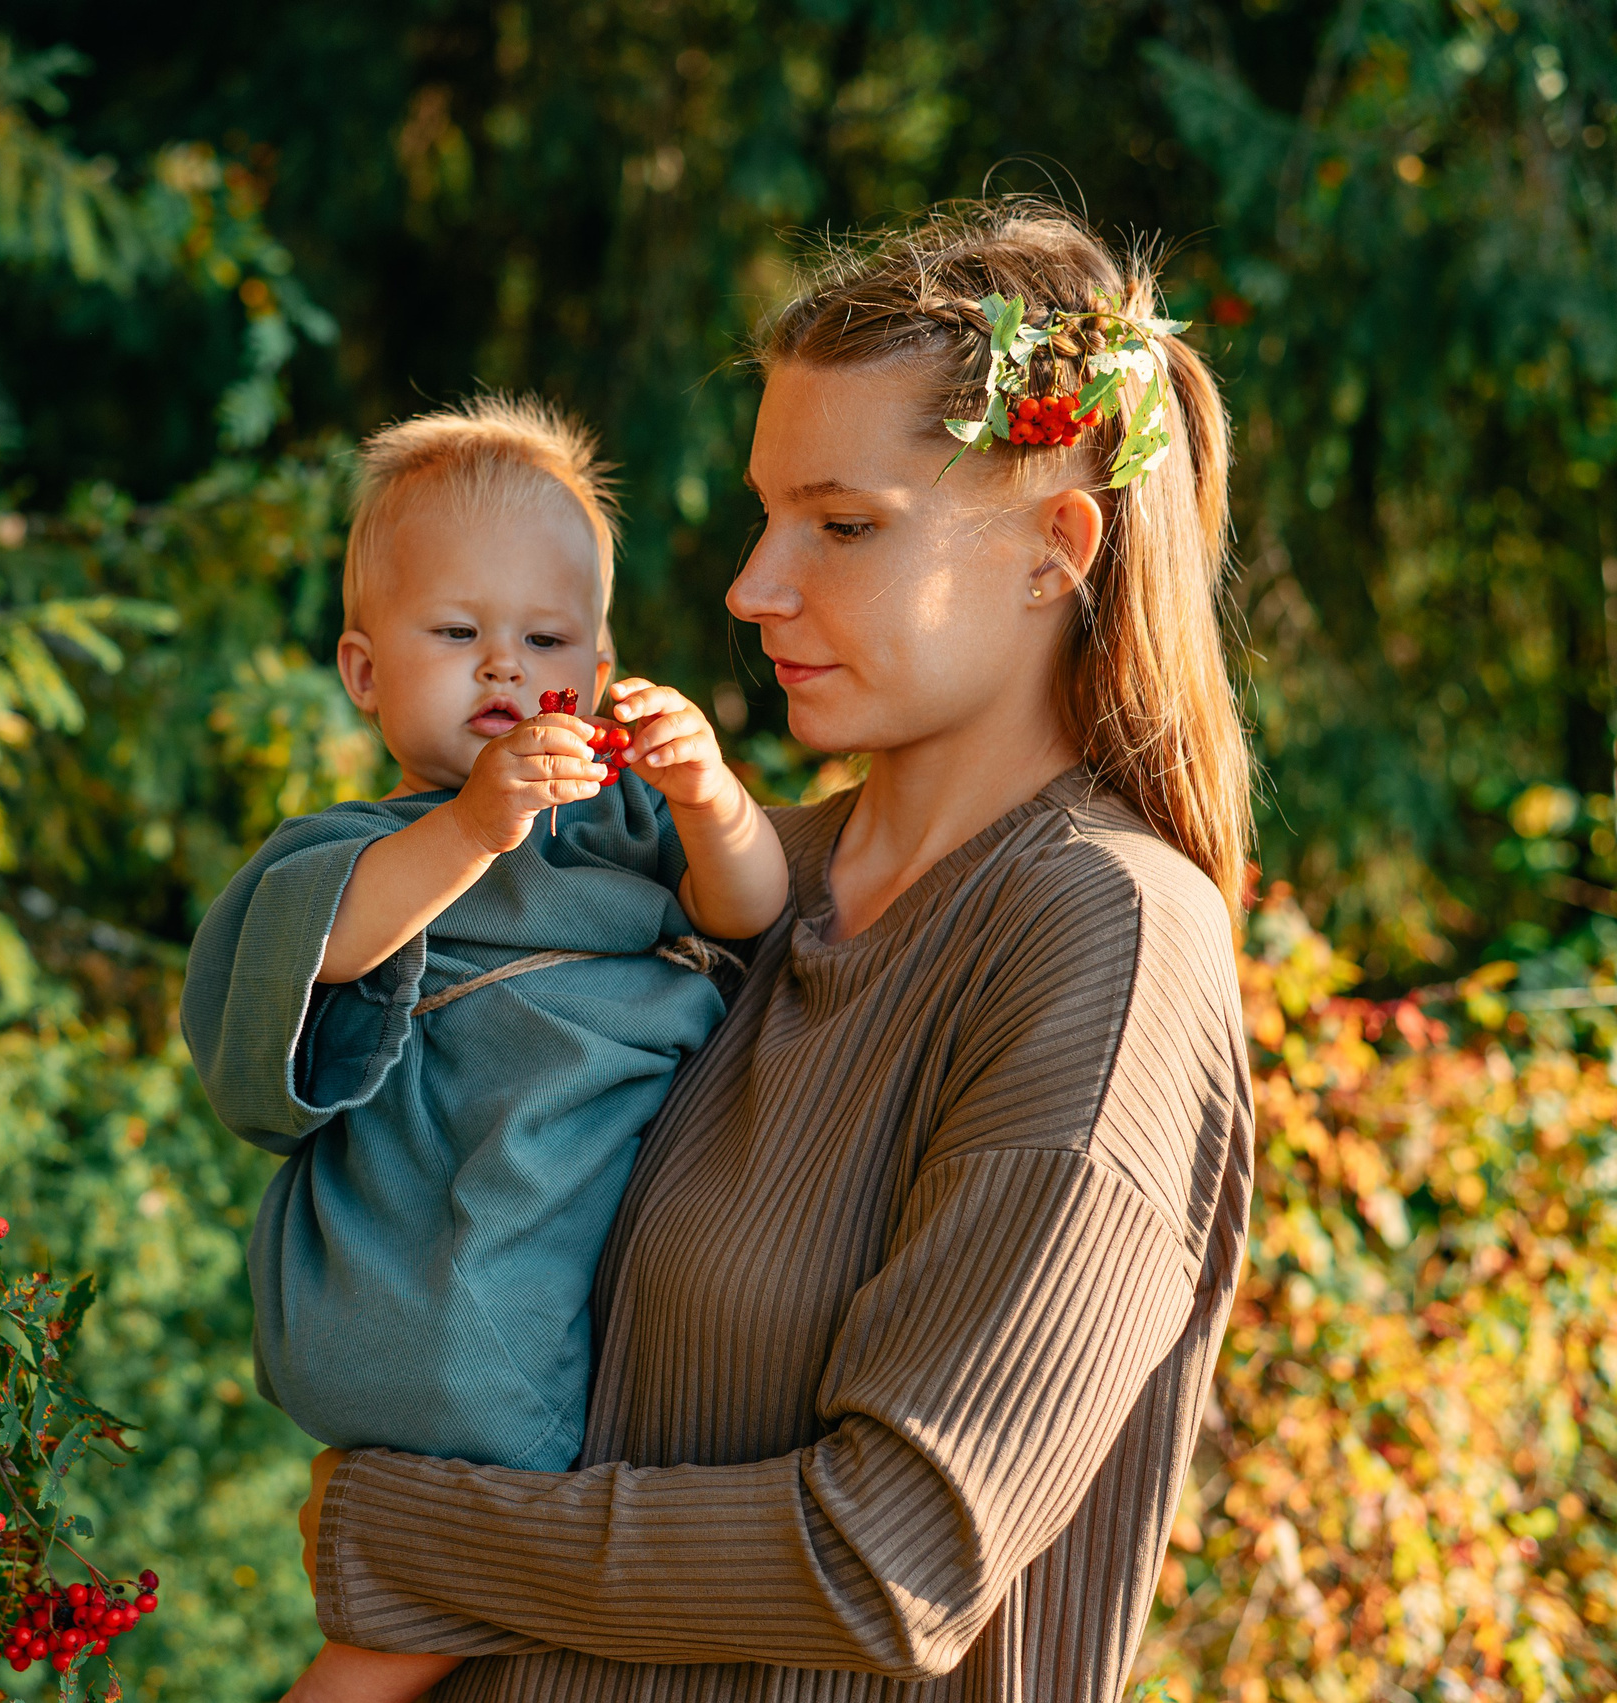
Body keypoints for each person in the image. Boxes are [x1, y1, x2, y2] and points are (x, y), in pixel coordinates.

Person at [283, 200, 1258, 1703]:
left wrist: (405, 1536)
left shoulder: (1106, 945)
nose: (751, 586)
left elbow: (892, 1560)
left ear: (1052, 551)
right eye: (764, 513)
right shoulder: (724, 877)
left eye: (843, 524)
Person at [180, 395, 792, 1702]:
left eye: (547, 639)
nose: (507, 671)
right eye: (457, 636)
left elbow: (747, 910)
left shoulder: (627, 821)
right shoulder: (360, 845)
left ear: (605, 655)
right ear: (364, 672)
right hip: (442, 1262)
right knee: (455, 1583)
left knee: (469, 1606)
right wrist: (475, 828)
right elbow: (328, 944)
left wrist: (711, 798)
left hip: (558, 1231)